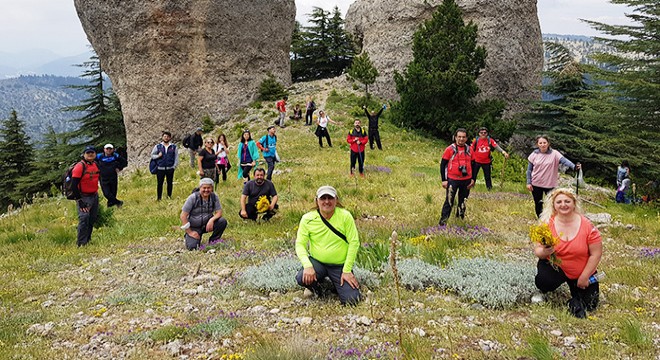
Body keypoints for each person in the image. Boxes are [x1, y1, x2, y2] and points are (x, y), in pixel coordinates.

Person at [533, 188, 602, 318]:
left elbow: (596, 254)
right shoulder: (546, 224)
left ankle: (573, 301)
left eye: (567, 201)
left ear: (574, 203)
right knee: (544, 281)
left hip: (581, 270)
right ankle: (545, 290)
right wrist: (544, 251)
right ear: (553, 205)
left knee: (591, 305)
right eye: (559, 202)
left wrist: (585, 276)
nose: (563, 205)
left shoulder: (588, 225)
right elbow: (537, 250)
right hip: (557, 267)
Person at [295, 185, 361, 306]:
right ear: (317, 201)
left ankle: (337, 284)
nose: (326, 201)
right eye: (323, 198)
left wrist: (347, 270)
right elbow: (300, 244)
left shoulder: (345, 216)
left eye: (330, 198)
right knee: (301, 278)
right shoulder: (307, 219)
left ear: (336, 200)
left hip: (339, 266)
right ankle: (320, 289)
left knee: (352, 300)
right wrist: (307, 266)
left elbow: (354, 242)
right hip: (318, 263)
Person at [526, 135, 580, 218]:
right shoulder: (534, 154)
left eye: (544, 142)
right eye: (540, 143)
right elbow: (529, 170)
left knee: (552, 203)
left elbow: (564, 161)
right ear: (537, 144)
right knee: (538, 203)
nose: (542, 145)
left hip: (550, 184)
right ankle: (541, 220)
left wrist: (574, 167)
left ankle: (553, 220)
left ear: (548, 143)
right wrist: (528, 182)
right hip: (536, 183)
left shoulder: (555, 154)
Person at [179, 178, 228, 250]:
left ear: (212, 188)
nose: (206, 190)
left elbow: (219, 212)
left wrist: (212, 220)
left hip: (207, 224)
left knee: (222, 221)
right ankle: (188, 236)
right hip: (194, 226)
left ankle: (213, 241)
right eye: (204, 188)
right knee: (193, 248)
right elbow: (183, 215)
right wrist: (190, 232)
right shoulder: (193, 198)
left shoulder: (214, 197)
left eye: (209, 188)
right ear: (200, 188)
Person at [439, 128, 475, 225]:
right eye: (459, 137)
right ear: (455, 137)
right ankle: (442, 224)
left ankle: (459, 222)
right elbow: (443, 165)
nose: (461, 139)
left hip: (466, 180)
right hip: (452, 180)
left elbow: (474, 165)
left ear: (466, 138)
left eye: (463, 137)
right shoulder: (449, 149)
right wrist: (444, 180)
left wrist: (473, 179)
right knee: (449, 202)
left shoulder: (470, 150)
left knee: (463, 202)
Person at [71, 145, 100, 247]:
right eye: (88, 153)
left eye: (92, 152)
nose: (90, 154)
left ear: (95, 154)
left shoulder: (95, 164)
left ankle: (88, 240)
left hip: (94, 195)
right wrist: (79, 200)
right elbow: (73, 185)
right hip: (83, 196)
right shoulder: (80, 166)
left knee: (92, 218)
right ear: (84, 154)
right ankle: (81, 243)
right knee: (84, 218)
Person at [96, 143, 127, 207]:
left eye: (110, 149)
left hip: (113, 177)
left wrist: (119, 168)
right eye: (107, 149)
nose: (109, 150)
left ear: (113, 150)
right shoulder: (99, 156)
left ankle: (110, 206)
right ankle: (118, 202)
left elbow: (124, 162)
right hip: (103, 178)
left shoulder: (115, 156)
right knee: (106, 193)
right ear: (104, 149)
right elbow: (92, 162)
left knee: (113, 192)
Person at [151, 131, 179, 200]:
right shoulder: (158, 146)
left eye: (167, 137)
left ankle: (169, 196)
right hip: (160, 168)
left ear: (170, 138)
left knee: (170, 183)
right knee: (159, 184)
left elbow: (176, 157)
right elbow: (152, 155)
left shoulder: (173, 147)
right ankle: (159, 198)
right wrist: (158, 156)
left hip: (170, 168)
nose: (166, 138)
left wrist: (174, 166)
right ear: (162, 137)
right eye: (164, 136)